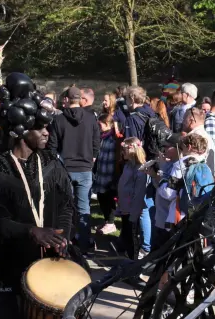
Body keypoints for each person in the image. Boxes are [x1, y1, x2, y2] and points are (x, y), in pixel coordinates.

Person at [0, 96, 76, 318]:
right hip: (10, 263)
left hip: (48, 262)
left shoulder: (51, 164)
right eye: (39, 128)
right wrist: (31, 231)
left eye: (47, 127)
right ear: (21, 131)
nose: (46, 133)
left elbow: (66, 206)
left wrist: (62, 236)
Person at [53, 86, 100, 251]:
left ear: (66, 99)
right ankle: (84, 245)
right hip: (84, 168)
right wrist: (92, 158)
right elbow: (96, 142)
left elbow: (52, 146)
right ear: (80, 99)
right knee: (83, 208)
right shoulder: (91, 118)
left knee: (65, 208)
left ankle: (64, 244)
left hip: (65, 168)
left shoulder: (58, 120)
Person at [115, 138, 151, 259]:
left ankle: (133, 261)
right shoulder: (127, 165)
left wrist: (134, 215)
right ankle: (127, 258)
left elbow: (139, 194)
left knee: (132, 238)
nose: (122, 152)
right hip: (125, 208)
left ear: (132, 150)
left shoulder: (140, 170)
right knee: (127, 236)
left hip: (132, 211)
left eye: (124, 149)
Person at [94, 109, 121, 237]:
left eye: (100, 124)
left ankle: (111, 222)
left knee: (109, 199)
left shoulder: (113, 138)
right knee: (101, 197)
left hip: (109, 175)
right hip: (101, 173)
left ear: (107, 124)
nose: (98, 127)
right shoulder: (102, 137)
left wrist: (114, 176)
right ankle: (106, 221)